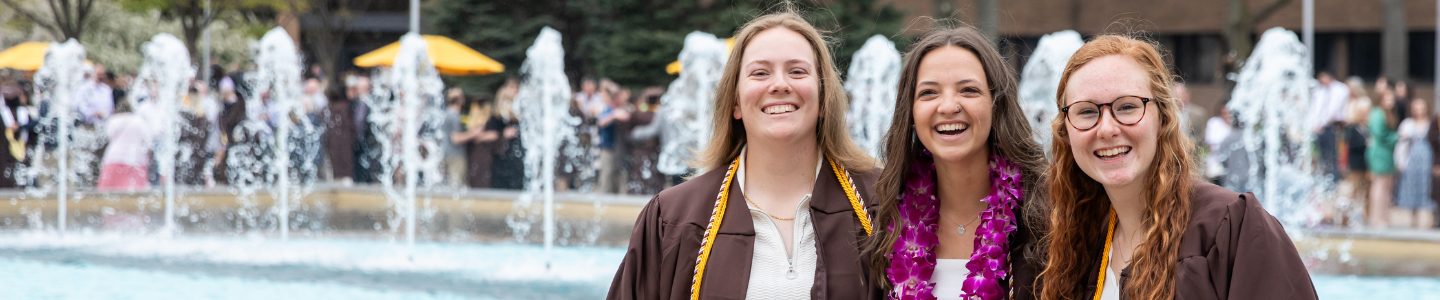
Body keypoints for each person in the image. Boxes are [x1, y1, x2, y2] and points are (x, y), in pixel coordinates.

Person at [608, 11, 879, 299]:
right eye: (760, 73)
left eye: (797, 71)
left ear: (824, 98)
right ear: (735, 102)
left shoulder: (881, 203)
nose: (779, 84)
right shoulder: (675, 218)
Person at [1039, 35, 1316, 300]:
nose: (1108, 128)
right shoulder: (1076, 246)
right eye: (1087, 111)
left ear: (1163, 119)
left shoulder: (1230, 227)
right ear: (1065, 132)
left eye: (1127, 107)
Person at [858, 27, 1046, 300]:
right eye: (929, 93)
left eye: (968, 90)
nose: (947, 106)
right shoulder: (885, 218)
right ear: (910, 112)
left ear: (996, 104)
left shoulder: (1045, 217)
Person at [1395, 98, 1434, 228]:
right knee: (1411, 187)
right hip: (1412, 159)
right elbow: (1401, 143)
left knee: (1426, 187)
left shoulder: (1430, 123)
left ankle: (1428, 220)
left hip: (1426, 159)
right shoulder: (1408, 123)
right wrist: (1400, 162)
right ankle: (1413, 220)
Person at [97, 101, 153, 191]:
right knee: (137, 190)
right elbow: (147, 139)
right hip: (136, 157)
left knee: (110, 190)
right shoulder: (139, 121)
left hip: (115, 156)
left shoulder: (113, 120)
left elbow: (108, 135)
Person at [1368, 82, 1400, 228]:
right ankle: (1376, 218)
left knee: (1387, 185)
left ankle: (1384, 216)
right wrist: (1397, 137)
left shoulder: (1387, 114)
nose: (1391, 101)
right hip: (1380, 152)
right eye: (1388, 98)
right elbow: (1380, 134)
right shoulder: (1377, 113)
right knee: (1379, 185)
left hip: (1387, 152)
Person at [489, 78, 524, 190]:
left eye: (517, 87)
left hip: (518, 155)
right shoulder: (499, 114)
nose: (515, 90)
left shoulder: (520, 110)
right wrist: (503, 135)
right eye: (512, 87)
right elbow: (490, 133)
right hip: (503, 155)